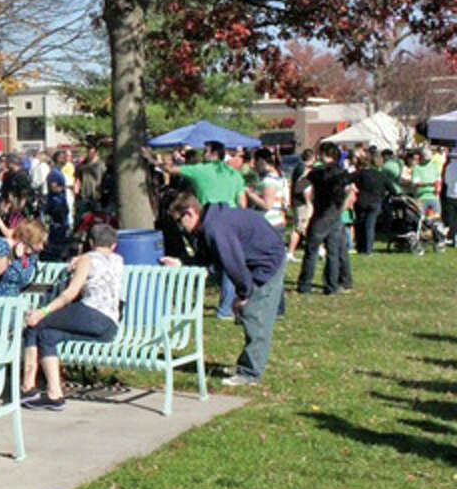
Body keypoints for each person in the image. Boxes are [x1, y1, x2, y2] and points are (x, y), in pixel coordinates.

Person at [164, 193, 285, 385]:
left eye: (180, 221)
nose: (181, 227)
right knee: (249, 315)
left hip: (267, 264)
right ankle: (245, 364)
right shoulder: (209, 224)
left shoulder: (216, 228)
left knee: (256, 317)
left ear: (190, 213)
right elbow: (206, 258)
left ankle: (250, 373)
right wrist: (182, 262)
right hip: (254, 261)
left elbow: (233, 265)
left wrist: (243, 294)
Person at [21, 223, 123, 409]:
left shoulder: (87, 259)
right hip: (109, 326)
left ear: (91, 242)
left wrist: (42, 312)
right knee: (48, 336)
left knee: (35, 324)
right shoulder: (118, 259)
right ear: (113, 245)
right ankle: (54, 395)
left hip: (91, 314)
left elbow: (70, 293)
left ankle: (27, 387)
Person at [164, 141, 248, 318]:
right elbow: (242, 202)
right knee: (226, 263)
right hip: (232, 221)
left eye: (206, 152)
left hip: (207, 221)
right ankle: (226, 305)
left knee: (213, 264)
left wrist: (155, 160)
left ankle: (223, 308)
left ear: (214, 154)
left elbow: (172, 170)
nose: (203, 155)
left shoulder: (201, 170)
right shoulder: (234, 173)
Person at [296, 142, 353, 296]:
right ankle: (331, 286)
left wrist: (306, 173)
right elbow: (349, 191)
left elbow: (299, 187)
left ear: (323, 154)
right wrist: (341, 207)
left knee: (311, 251)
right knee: (333, 252)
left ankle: (305, 284)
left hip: (320, 214)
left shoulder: (317, 172)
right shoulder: (342, 173)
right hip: (335, 214)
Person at [352, 154, 394, 254]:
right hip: (376, 201)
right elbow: (392, 189)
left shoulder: (359, 174)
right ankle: (368, 249)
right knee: (370, 225)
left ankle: (360, 247)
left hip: (361, 201)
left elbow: (347, 180)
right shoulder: (380, 175)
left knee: (360, 224)